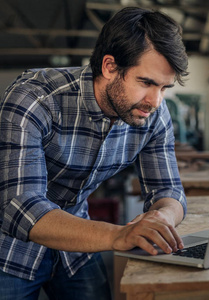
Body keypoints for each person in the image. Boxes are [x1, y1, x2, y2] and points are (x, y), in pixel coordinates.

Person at [0, 7, 189, 300]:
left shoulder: (153, 111)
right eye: (146, 82)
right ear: (110, 67)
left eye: (164, 87)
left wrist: (163, 217)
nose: (155, 101)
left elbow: (169, 189)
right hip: (9, 249)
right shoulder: (35, 98)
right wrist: (117, 235)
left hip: (77, 246)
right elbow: (21, 208)